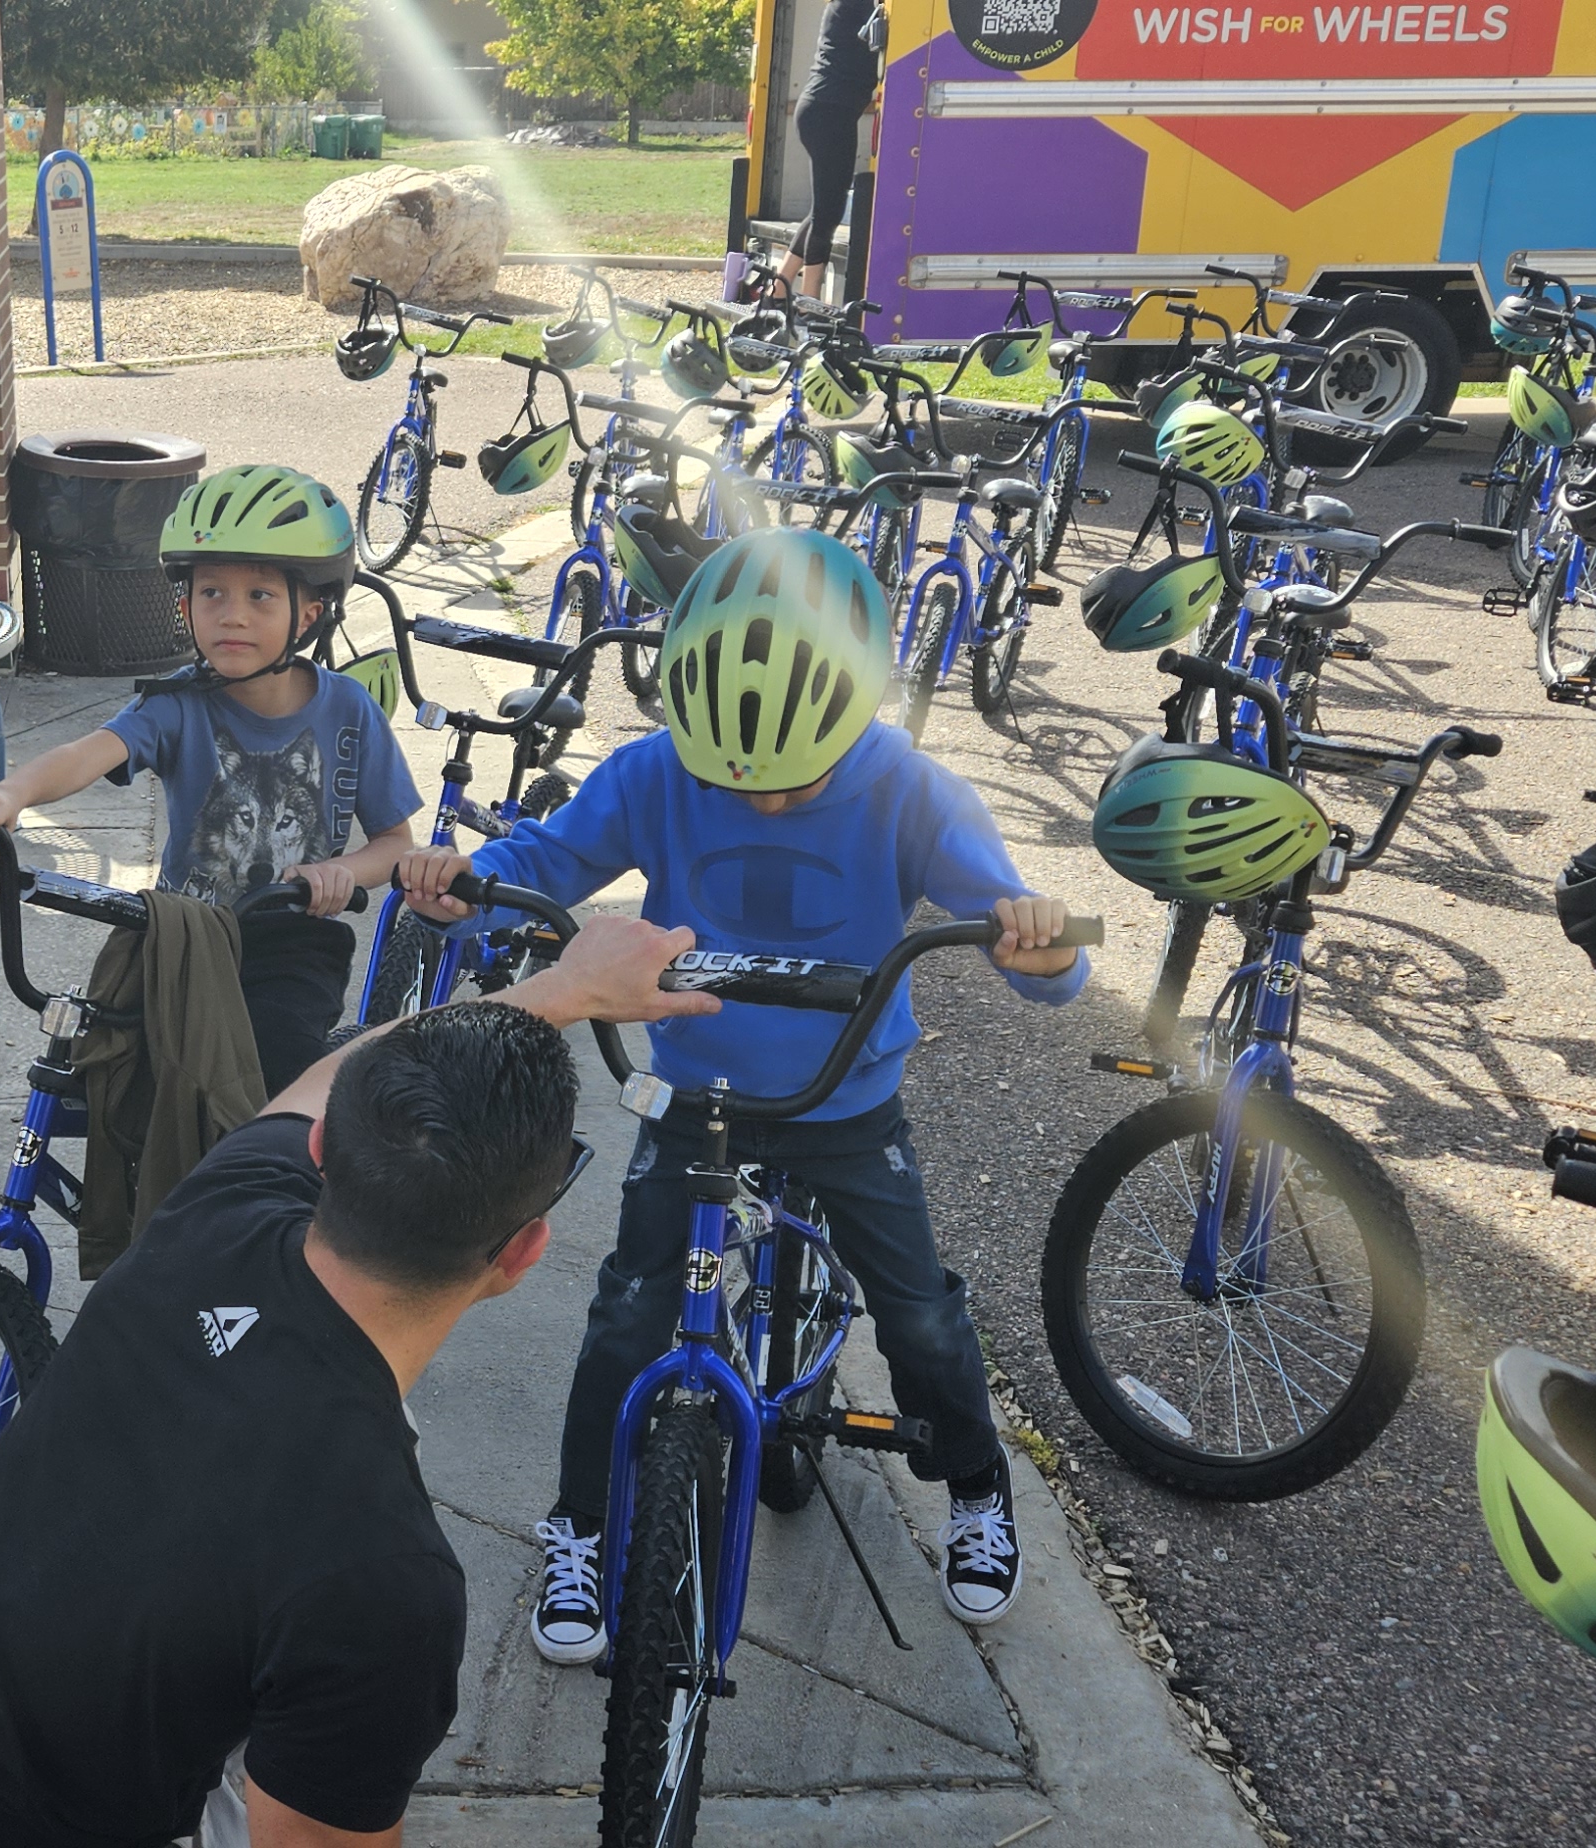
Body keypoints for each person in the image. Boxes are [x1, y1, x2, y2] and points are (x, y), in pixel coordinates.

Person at [0, 914, 719, 1848]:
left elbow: (334, 1077)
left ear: (321, 1151)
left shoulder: (224, 1201)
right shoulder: (385, 1579)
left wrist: (564, 990)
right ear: (524, 1253)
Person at [393, 527, 1085, 1654]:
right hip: (696, 1095)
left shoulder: (913, 793)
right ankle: (581, 1524)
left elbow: (1031, 947)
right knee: (627, 1313)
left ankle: (973, 1484)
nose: (760, 801)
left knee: (915, 1308)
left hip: (845, 1104)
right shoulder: (652, 770)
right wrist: (460, 887)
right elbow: (541, 867)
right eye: (729, 776)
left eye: (796, 778)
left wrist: (1040, 946)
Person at [0, 465, 420, 1093]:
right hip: (183, 937)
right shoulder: (177, 703)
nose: (233, 616)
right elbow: (90, 751)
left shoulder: (348, 711)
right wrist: (13, 793)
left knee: (276, 1085)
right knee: (122, 1080)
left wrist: (341, 872)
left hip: (290, 946)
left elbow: (397, 844)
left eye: (260, 596)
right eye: (212, 593)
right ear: (183, 604)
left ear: (309, 614)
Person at [775, 0, 888, 301]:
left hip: (825, 110)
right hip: (830, 112)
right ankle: (810, 301)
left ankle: (778, 290)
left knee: (822, 211)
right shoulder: (856, 4)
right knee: (828, 214)